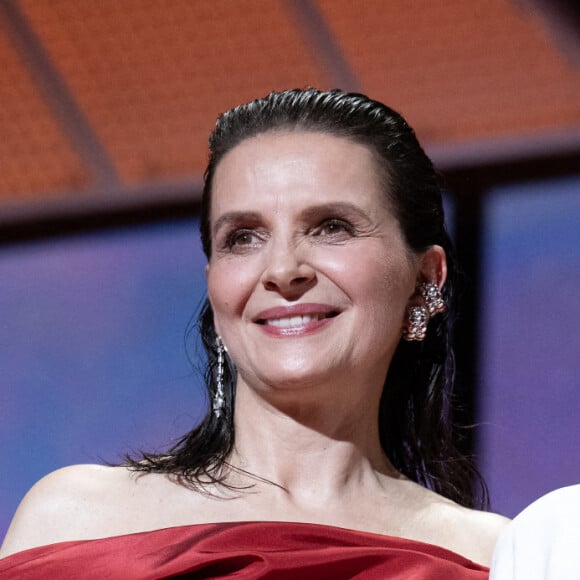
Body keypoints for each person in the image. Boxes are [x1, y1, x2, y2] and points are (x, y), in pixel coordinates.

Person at [0, 89, 508, 578]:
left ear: (424, 277)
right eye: (243, 238)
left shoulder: (494, 558)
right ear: (215, 286)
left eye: (332, 226)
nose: (283, 269)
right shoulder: (76, 523)